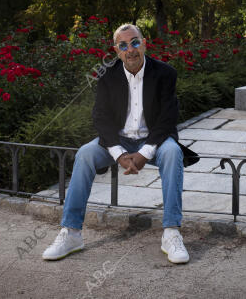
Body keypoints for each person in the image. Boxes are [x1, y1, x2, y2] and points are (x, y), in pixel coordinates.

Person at [42, 23, 197, 264]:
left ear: (144, 44)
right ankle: (71, 232)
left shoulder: (166, 73)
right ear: (116, 50)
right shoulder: (106, 75)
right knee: (85, 154)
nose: (130, 50)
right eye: (123, 45)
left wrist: (144, 153)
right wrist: (119, 154)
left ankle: (171, 232)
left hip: (154, 137)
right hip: (119, 139)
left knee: (172, 153)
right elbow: (100, 117)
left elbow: (168, 118)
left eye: (135, 42)